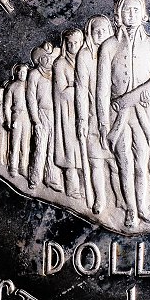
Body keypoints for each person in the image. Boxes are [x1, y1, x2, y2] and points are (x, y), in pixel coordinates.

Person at [96, 0, 150, 228]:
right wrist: (102, 122)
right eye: (126, 10)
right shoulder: (109, 46)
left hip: (143, 114)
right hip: (118, 116)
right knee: (124, 163)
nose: (131, 14)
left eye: (135, 10)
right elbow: (102, 88)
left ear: (143, 14)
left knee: (141, 163)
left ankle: (143, 207)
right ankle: (131, 210)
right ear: (119, 14)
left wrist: (132, 97)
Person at [75, 15, 122, 213]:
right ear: (90, 33)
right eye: (96, 31)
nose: (101, 34)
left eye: (104, 30)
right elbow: (81, 89)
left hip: (116, 115)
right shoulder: (85, 55)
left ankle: (120, 199)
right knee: (96, 162)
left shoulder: (118, 50)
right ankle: (101, 200)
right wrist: (82, 119)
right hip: (93, 116)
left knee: (116, 161)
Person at [26, 42, 63, 191]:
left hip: (55, 113)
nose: (48, 60)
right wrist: (35, 119)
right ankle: (35, 179)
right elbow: (31, 97)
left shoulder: (56, 73)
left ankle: (52, 179)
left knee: (54, 147)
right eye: (44, 58)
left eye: (50, 57)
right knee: (40, 147)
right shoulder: (34, 74)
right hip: (41, 114)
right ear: (38, 60)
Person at [53, 28, 84, 198]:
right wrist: (80, 88)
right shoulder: (60, 64)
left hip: (85, 112)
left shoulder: (86, 60)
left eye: (76, 43)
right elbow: (62, 91)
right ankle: (72, 188)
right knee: (70, 150)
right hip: (68, 113)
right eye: (69, 43)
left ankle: (85, 187)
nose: (73, 46)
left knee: (84, 151)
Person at [4, 63, 31, 178]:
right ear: (16, 73)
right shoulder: (12, 86)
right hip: (17, 116)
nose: (22, 74)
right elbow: (6, 105)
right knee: (15, 144)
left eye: (25, 72)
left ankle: (22, 167)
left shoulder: (30, 85)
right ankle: (13, 167)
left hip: (27, 117)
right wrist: (9, 120)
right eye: (20, 72)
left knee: (25, 144)